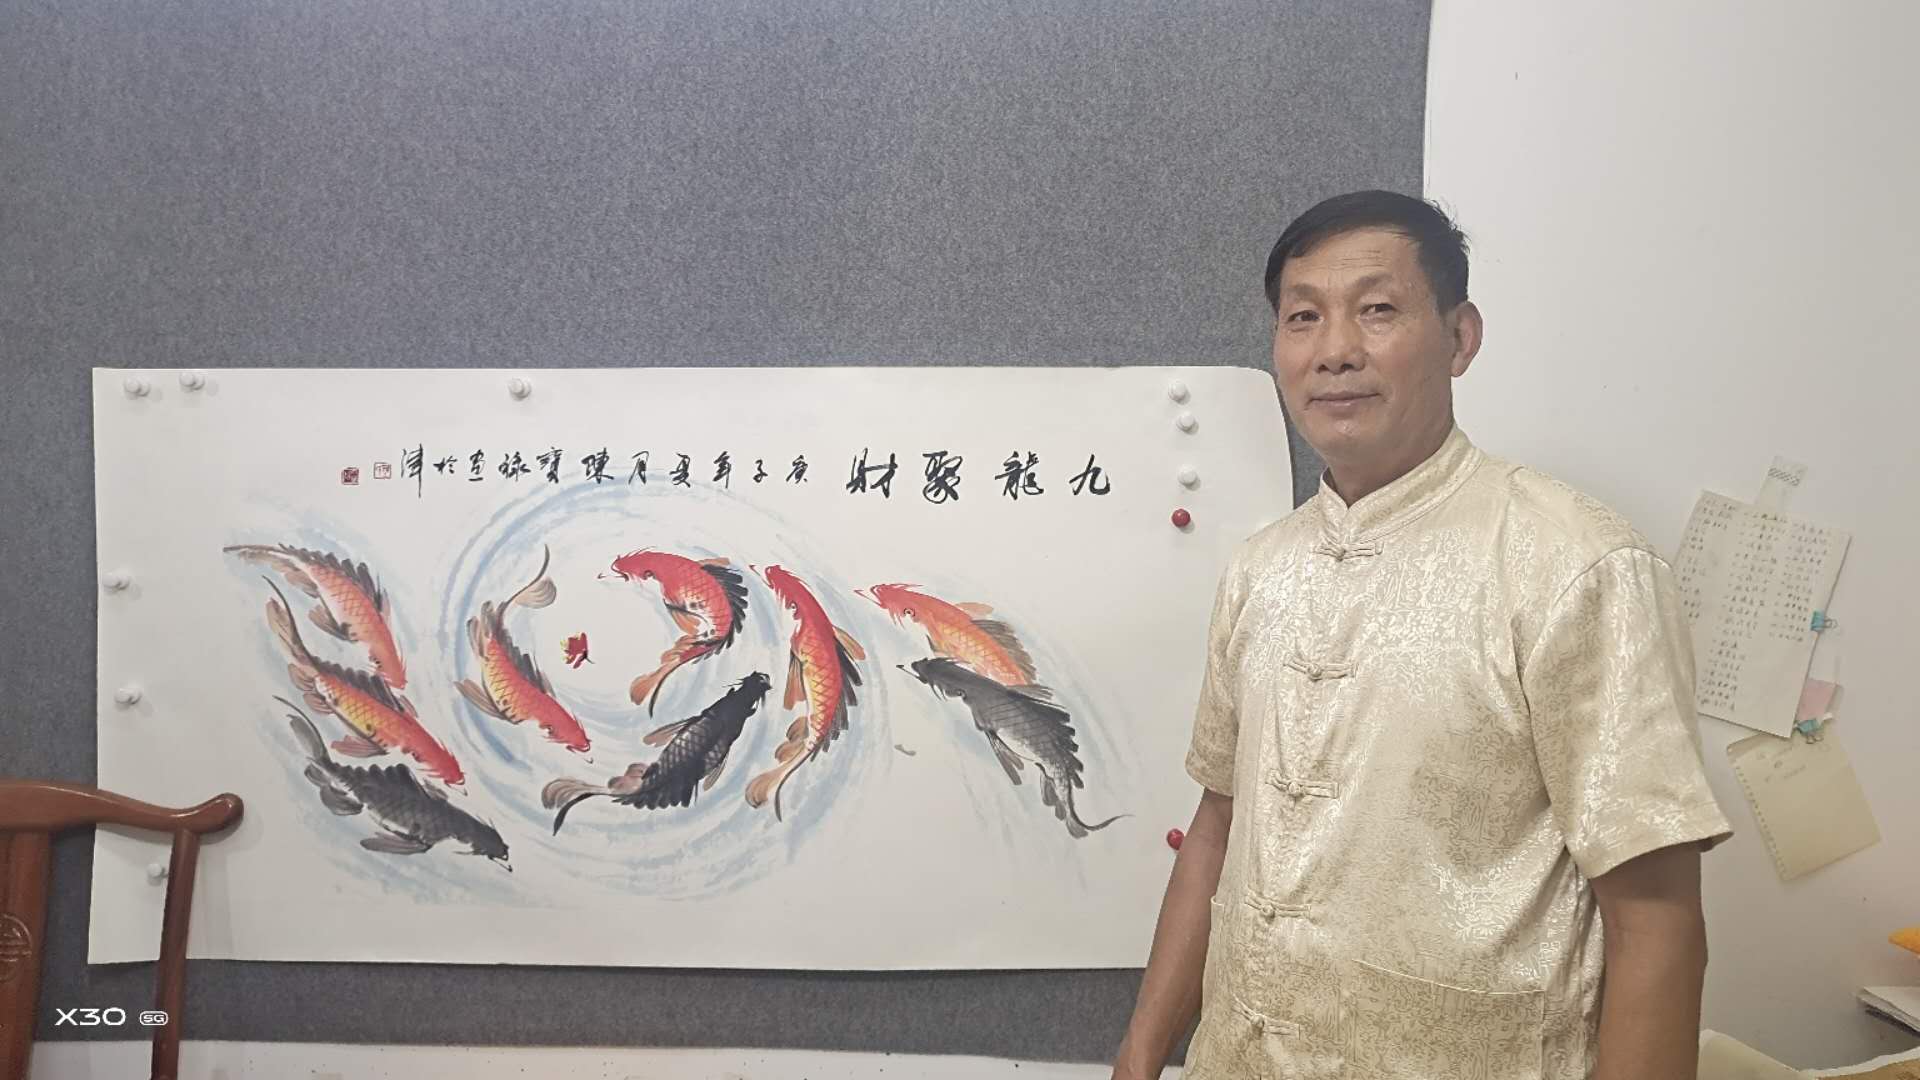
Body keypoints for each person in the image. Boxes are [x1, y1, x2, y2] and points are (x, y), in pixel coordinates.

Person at [1111, 190, 1732, 1080]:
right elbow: (1219, 823)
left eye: (1377, 310)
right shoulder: (1259, 570)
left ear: (1460, 337)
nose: (1334, 350)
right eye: (1303, 317)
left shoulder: (1576, 563)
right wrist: (1139, 1056)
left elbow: (1657, 920)